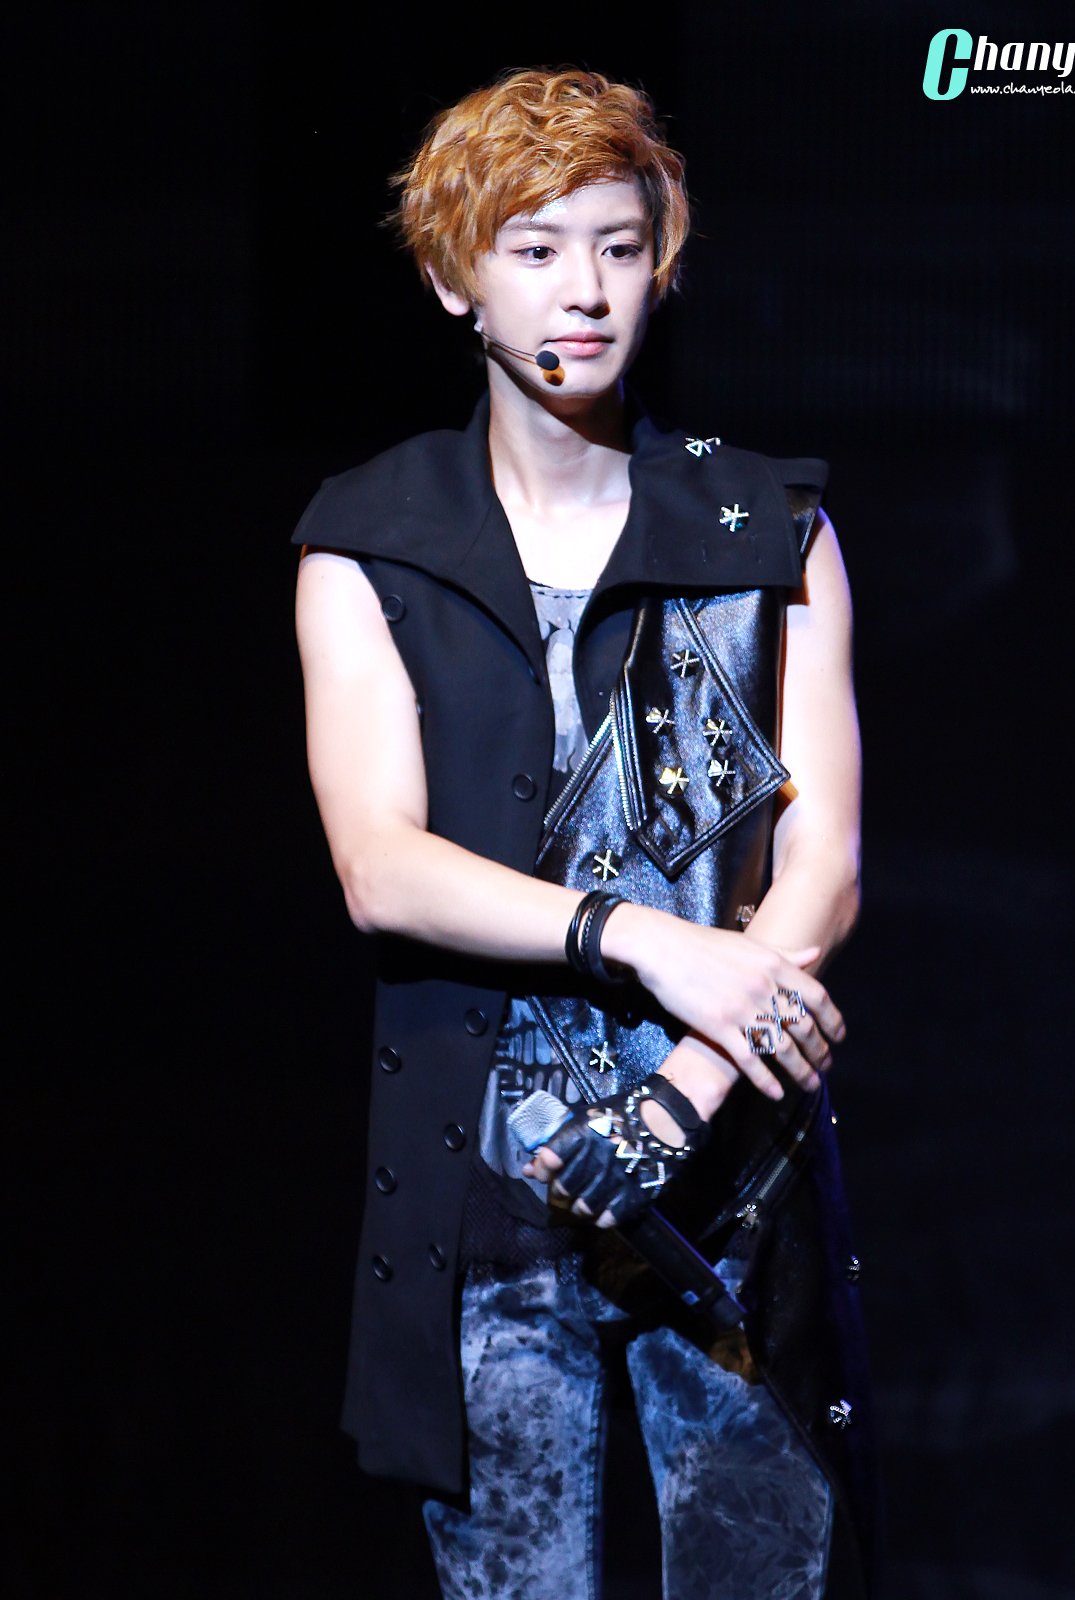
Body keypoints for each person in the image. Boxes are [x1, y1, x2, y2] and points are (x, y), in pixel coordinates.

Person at [294, 67, 874, 1600]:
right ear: (455, 278)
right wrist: (649, 944)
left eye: (620, 248)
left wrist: (687, 1087)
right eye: (538, 249)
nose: (587, 291)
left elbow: (821, 863)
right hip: (489, 1190)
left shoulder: (770, 530)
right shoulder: (371, 541)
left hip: (729, 1172)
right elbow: (380, 867)